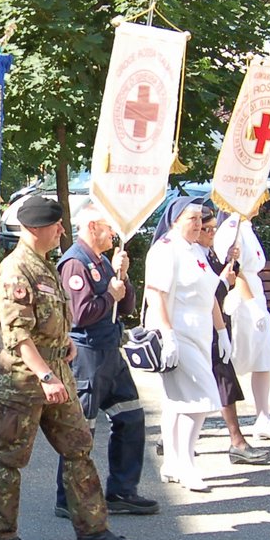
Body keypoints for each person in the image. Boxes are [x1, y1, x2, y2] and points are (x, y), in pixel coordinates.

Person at [0, 194, 133, 540]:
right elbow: (17, 335)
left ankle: (93, 531)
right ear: (36, 229)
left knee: (78, 448)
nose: (61, 230)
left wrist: (63, 341)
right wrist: (46, 375)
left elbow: (51, 315)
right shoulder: (16, 270)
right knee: (11, 459)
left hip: (56, 373)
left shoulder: (44, 265)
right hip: (24, 381)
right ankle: (1, 535)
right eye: (56, 225)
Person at [144, 199, 268, 493]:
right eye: (192, 218)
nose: (198, 224)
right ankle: (186, 464)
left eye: (200, 218)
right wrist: (168, 333)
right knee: (199, 400)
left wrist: (221, 331)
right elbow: (156, 294)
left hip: (200, 336)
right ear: (175, 220)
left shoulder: (195, 250)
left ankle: (173, 462)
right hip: (178, 335)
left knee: (177, 403)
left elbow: (210, 293)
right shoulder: (165, 248)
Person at [52, 200, 158, 518]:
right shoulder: (75, 263)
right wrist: (109, 295)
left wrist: (123, 279)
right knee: (80, 429)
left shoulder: (102, 260)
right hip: (87, 355)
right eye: (109, 226)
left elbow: (124, 309)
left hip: (111, 351)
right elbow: (80, 315)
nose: (114, 232)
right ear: (92, 227)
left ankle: (122, 491)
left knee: (131, 416)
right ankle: (67, 497)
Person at [214, 214, 270, 442]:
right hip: (241, 302)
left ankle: (263, 418)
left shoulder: (246, 227)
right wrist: (252, 306)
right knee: (233, 360)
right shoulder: (230, 228)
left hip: (256, 296)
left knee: (263, 358)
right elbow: (236, 271)